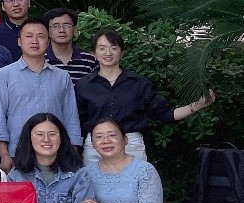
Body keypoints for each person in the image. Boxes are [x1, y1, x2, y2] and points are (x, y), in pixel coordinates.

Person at [76, 28, 215, 165]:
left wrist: (197, 105)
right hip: (96, 146)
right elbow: (76, 122)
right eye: (102, 48)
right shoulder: (83, 85)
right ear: (93, 53)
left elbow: (165, 114)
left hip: (131, 145)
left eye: (114, 48)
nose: (108, 53)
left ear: (122, 52)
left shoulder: (139, 83)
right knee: (93, 181)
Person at [0, 18, 83, 173]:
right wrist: (3, 154)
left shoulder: (62, 76)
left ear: (48, 42)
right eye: (29, 36)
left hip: (56, 152)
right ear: (19, 42)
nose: (34, 41)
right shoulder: (3, 75)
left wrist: (72, 151)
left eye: (40, 36)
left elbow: (70, 116)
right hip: (18, 152)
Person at [43, 8, 100, 83]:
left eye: (67, 25)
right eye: (56, 26)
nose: (62, 30)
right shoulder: (40, 59)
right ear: (47, 31)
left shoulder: (90, 60)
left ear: (75, 30)